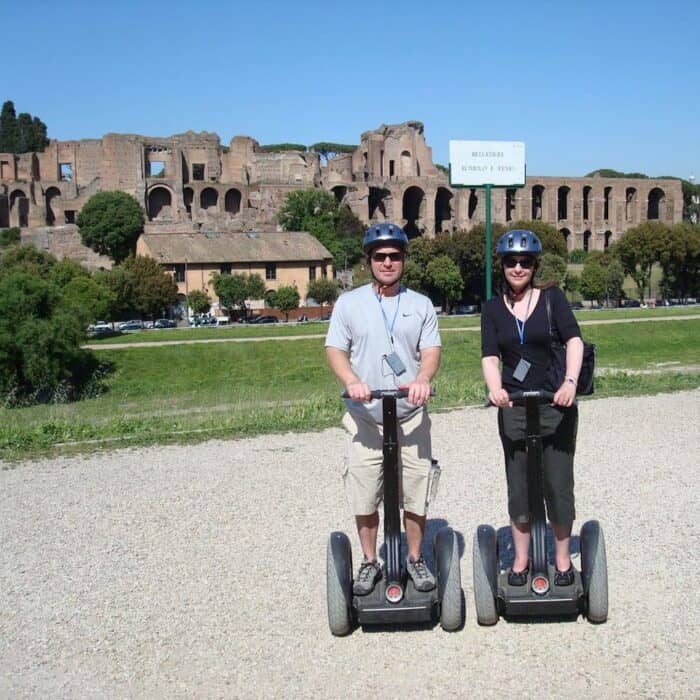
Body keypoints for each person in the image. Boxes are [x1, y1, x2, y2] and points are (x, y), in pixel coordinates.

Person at [325, 222, 442, 595]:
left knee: (416, 489)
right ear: (369, 261)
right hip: (366, 416)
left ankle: (414, 557)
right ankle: (369, 561)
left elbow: (431, 351)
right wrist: (350, 381)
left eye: (394, 256)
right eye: (380, 257)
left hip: (410, 415)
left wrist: (423, 378)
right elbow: (335, 350)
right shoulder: (349, 303)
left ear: (403, 259)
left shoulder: (420, 304)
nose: (388, 262)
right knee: (364, 491)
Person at [480, 229, 584, 587]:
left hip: (555, 403)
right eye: (511, 262)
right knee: (519, 486)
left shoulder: (553, 299)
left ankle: (561, 559)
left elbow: (574, 340)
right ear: (503, 266)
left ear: (535, 265)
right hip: (515, 406)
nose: (518, 268)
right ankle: (521, 560)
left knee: (557, 483)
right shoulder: (492, 308)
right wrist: (495, 390)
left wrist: (570, 382)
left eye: (525, 262)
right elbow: (490, 356)